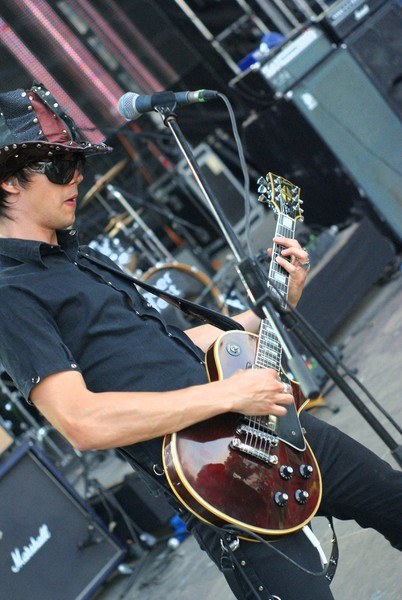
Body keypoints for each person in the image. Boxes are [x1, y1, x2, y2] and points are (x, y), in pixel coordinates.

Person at [0, 83, 400, 600]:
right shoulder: (11, 293)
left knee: (393, 498)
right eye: (60, 167)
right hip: (216, 480)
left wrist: (270, 307)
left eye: (78, 163)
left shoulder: (81, 257)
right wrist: (227, 394)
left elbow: (170, 344)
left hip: (263, 429)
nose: (77, 176)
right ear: (8, 180)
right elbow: (82, 422)